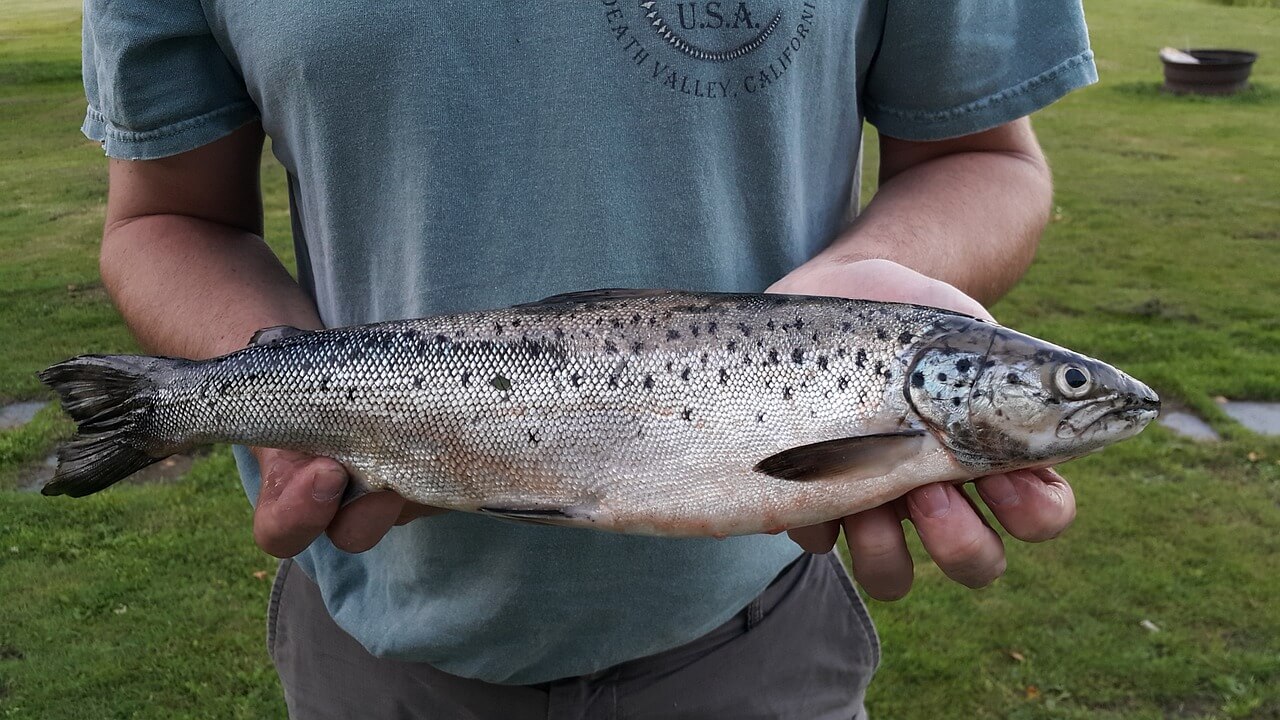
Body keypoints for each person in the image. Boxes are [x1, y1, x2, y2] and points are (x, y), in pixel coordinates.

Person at [82, 1, 1095, 716]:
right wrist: (280, 403)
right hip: (374, 645)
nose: (1080, 396)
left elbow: (981, 156)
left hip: (761, 627)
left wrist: (851, 289)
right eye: (1063, 384)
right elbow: (166, 217)